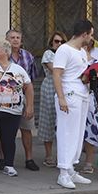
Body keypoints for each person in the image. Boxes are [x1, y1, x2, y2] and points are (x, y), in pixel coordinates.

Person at [50, 19, 96, 190]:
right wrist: (61, 97)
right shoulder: (64, 49)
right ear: (84, 34)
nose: (91, 38)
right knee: (67, 132)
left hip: (82, 94)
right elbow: (57, 74)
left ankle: (70, 169)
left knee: (77, 134)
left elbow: (79, 73)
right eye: (91, 34)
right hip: (69, 95)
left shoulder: (82, 51)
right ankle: (63, 173)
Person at [0, 40, 33, 177]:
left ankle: (9, 164)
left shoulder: (17, 69)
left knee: (8, 139)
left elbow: (28, 86)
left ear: (6, 52)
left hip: (12, 111)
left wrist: (30, 106)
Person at [6, 29, 40, 170]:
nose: (15, 40)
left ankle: (29, 158)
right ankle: (4, 159)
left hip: (24, 96)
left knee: (26, 128)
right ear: (7, 39)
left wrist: (30, 104)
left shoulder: (28, 56)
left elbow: (32, 78)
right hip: (6, 97)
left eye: (18, 37)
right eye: (12, 37)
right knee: (5, 130)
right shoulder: (2, 55)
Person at [76, 38, 98, 175]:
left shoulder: (96, 63)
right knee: (74, 131)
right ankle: (71, 160)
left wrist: (87, 76)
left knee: (90, 130)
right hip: (74, 98)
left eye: (86, 46)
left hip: (89, 98)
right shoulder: (73, 61)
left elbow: (95, 81)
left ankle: (89, 162)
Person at [37, 32, 65, 167]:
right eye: (56, 41)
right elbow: (56, 71)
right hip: (50, 87)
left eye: (61, 42)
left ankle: (63, 155)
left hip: (65, 88)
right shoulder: (48, 54)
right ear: (51, 42)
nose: (59, 44)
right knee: (48, 121)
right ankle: (48, 155)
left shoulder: (67, 55)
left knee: (63, 123)